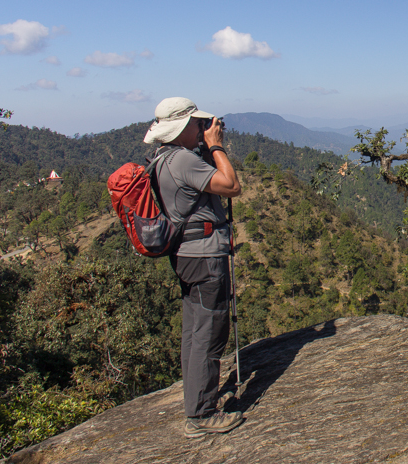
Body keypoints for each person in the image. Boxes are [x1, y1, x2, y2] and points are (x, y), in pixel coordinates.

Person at [143, 97, 243, 438]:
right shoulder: (184, 160)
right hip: (204, 257)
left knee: (194, 331)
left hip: (187, 256)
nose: (202, 128)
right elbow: (232, 186)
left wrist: (207, 145)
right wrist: (216, 147)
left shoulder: (163, 157)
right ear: (182, 127)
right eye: (197, 124)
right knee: (210, 333)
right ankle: (201, 414)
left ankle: (200, 399)